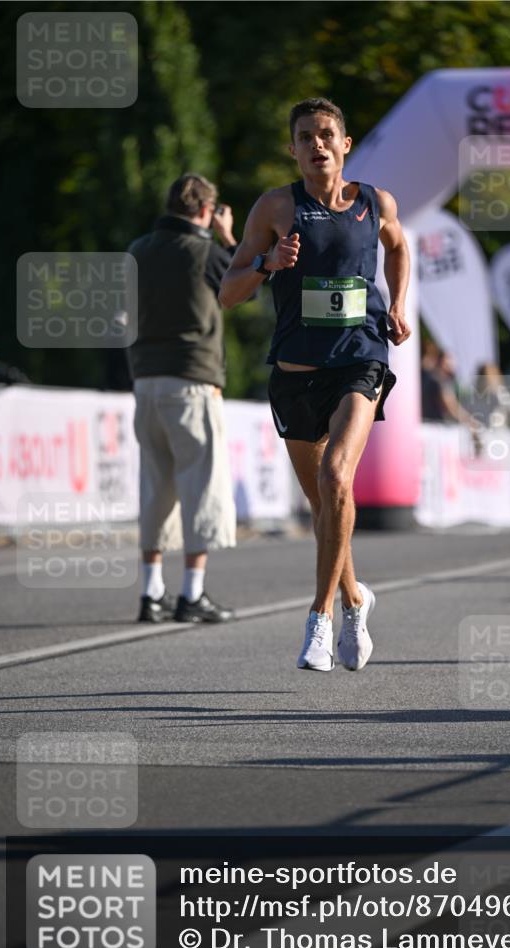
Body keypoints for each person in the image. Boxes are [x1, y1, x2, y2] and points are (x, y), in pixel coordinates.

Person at [220, 97, 411, 672]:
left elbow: (398, 247)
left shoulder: (375, 202)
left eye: (326, 134)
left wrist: (397, 304)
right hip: (296, 373)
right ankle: (355, 599)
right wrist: (268, 264)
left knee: (336, 477)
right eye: (305, 136)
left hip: (359, 361)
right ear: (293, 149)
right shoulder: (276, 207)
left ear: (345, 144)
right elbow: (228, 292)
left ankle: (319, 617)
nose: (316, 144)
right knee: (325, 503)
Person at [127, 173, 238, 625]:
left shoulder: (137, 250)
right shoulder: (206, 252)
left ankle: (151, 592)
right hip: (192, 380)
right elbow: (241, 288)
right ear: (207, 211)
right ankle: (192, 592)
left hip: (145, 380)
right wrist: (229, 239)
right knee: (201, 486)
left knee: (155, 488)